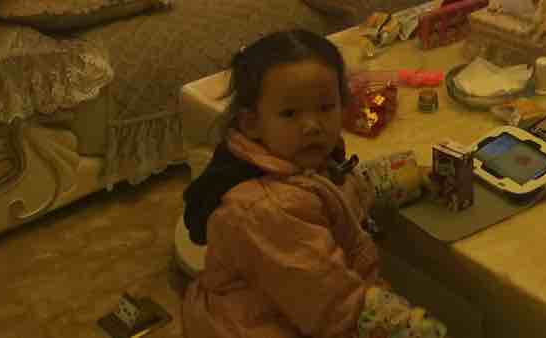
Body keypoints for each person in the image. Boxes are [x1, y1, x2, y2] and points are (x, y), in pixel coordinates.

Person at [181, 29, 447, 338]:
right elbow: (336, 305)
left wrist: (409, 176)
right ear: (252, 123)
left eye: (325, 107)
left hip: (298, 304)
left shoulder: (298, 159)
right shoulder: (268, 210)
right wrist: (416, 329)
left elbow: (340, 188)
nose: (312, 125)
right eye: (289, 113)